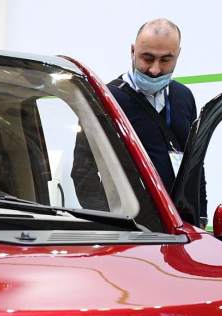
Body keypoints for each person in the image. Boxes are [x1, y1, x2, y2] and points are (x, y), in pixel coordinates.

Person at [72, 19, 202, 214]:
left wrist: (200, 215)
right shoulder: (105, 100)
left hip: (178, 223)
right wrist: (110, 220)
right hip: (129, 224)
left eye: (165, 60)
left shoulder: (184, 97)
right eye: (147, 58)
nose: (155, 70)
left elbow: (195, 164)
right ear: (132, 51)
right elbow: (83, 171)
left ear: (178, 55)